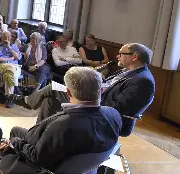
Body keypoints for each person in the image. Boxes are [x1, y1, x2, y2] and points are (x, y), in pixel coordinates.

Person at [0, 67, 122, 174]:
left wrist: (15, 142)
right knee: (18, 128)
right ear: (101, 90)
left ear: (68, 92)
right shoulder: (113, 114)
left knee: (14, 135)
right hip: (84, 172)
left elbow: (37, 158)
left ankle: (7, 168)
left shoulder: (63, 125)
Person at [11, 43, 156, 123]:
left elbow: (118, 109)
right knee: (49, 101)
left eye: (121, 54)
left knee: (52, 89)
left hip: (98, 110)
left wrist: (89, 94)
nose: (118, 56)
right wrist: (94, 78)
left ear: (134, 57)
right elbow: (108, 86)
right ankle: (40, 134)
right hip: (94, 100)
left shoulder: (143, 82)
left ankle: (28, 101)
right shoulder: (127, 71)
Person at [0, 31, 22, 108]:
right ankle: (16, 89)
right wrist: (10, 59)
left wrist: (9, 47)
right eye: (5, 37)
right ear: (1, 38)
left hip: (15, 66)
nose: (7, 39)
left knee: (8, 75)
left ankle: (10, 97)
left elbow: (18, 57)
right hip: (2, 66)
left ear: (11, 38)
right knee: (10, 68)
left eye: (8, 37)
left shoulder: (14, 47)